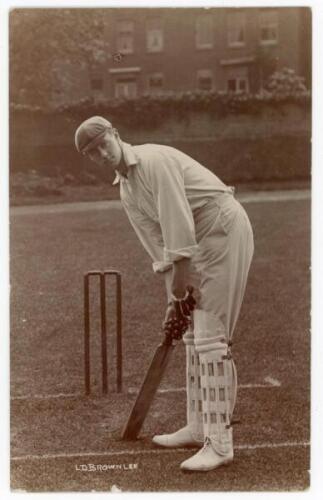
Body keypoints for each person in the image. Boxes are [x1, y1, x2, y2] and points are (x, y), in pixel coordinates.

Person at [74, 116, 254, 472]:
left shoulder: (153, 161)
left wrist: (179, 287)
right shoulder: (126, 190)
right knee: (191, 335)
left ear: (117, 135)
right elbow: (159, 248)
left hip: (221, 231)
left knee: (211, 340)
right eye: (92, 152)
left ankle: (220, 444)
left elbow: (178, 225)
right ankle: (198, 426)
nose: (101, 153)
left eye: (103, 143)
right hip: (197, 242)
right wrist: (172, 301)